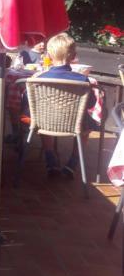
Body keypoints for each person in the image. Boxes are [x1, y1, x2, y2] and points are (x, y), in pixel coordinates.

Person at [30, 32, 94, 178]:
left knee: (43, 117)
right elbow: (91, 103)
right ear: (74, 56)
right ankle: (73, 162)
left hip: (45, 122)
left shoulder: (39, 78)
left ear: (49, 56)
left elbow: (28, 100)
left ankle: (50, 158)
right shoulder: (83, 79)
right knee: (87, 126)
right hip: (74, 123)